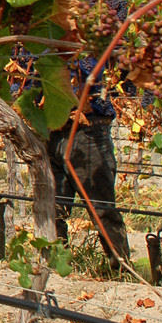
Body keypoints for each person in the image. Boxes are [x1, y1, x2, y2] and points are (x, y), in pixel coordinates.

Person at [47, 57, 130, 268]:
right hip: (51, 129)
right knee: (51, 208)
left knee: (101, 208)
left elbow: (104, 73)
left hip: (88, 131)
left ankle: (120, 269)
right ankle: (57, 265)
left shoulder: (90, 42)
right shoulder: (46, 45)